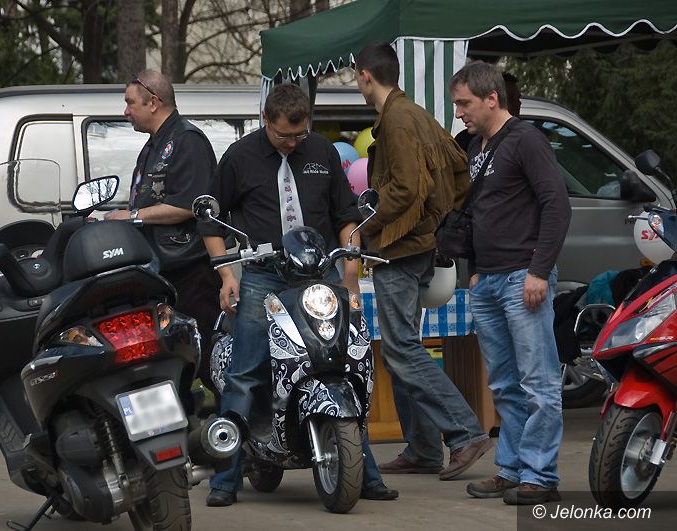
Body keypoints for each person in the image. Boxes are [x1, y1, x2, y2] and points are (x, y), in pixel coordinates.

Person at [201, 83, 398, 507]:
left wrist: (350, 271)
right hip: (263, 275)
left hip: (321, 273)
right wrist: (226, 274)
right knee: (245, 371)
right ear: (265, 120)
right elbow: (211, 223)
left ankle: (365, 474)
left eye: (299, 134)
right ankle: (226, 479)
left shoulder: (322, 152)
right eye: (283, 135)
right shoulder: (239, 157)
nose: (292, 142)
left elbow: (345, 216)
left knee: (343, 363)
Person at [353, 43, 492, 481]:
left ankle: (465, 433)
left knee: (400, 349)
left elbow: (407, 188)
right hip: (418, 246)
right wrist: (437, 221)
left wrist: (367, 223)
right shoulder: (415, 113)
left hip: (400, 249)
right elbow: (458, 168)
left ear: (364, 76)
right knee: (402, 349)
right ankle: (424, 447)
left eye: (356, 77)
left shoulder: (397, 119)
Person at [449, 60, 571, 505]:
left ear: (491, 98)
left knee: (538, 382)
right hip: (489, 280)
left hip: (523, 277)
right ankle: (513, 468)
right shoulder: (476, 146)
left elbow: (557, 205)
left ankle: (540, 477)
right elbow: (480, 213)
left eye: (464, 103)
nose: (458, 113)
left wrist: (538, 270)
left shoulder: (526, 139)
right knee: (504, 384)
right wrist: (475, 270)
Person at [105, 69, 220, 393]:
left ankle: (233, 419)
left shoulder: (188, 140)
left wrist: (132, 216)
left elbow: (189, 205)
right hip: (161, 273)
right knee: (171, 362)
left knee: (206, 358)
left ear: (153, 102)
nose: (126, 111)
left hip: (191, 272)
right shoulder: (153, 145)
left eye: (130, 102)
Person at [454, 72, 521, 153]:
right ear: (492, 99)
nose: (518, 103)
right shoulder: (465, 140)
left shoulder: (525, 139)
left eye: (518, 98)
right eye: (511, 98)